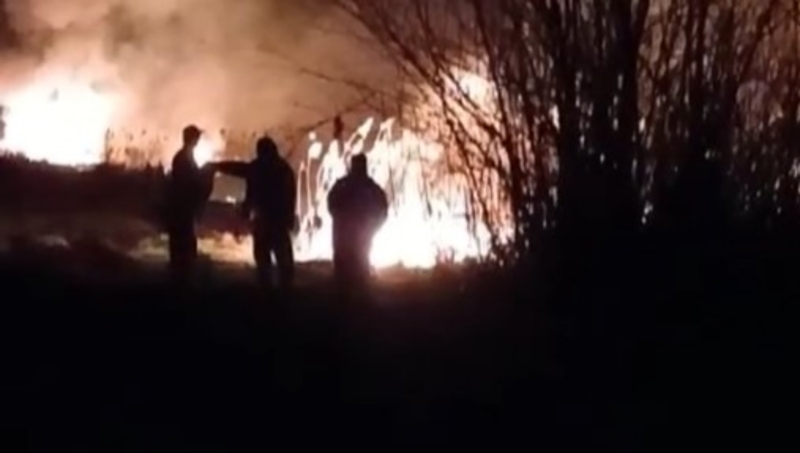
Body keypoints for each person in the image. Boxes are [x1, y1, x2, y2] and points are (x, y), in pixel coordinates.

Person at [209, 136, 297, 290]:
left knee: (269, 260)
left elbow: (241, 170)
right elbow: (241, 170)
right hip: (275, 222)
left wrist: (216, 166)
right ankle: (282, 292)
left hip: (269, 221)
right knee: (278, 261)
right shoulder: (282, 169)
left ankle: (272, 292)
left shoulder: (264, 168)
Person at [327, 154, 388, 291]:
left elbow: (331, 203)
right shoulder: (370, 188)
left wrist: (338, 219)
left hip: (347, 232)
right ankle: (354, 290)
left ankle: (346, 290)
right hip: (357, 232)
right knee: (357, 261)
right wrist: (373, 227)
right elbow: (382, 210)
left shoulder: (343, 185)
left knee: (350, 261)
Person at [164, 124, 214, 284]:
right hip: (181, 209)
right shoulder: (183, 158)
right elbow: (189, 182)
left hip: (181, 209)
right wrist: (206, 174)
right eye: (196, 137)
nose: (198, 140)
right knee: (183, 245)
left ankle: (181, 278)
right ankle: (181, 281)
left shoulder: (185, 156)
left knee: (183, 244)